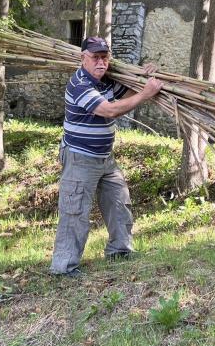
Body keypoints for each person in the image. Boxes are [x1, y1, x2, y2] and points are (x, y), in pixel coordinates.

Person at [50, 36, 163, 277]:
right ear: (83, 58)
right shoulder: (79, 83)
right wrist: (145, 94)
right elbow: (109, 110)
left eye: (105, 57)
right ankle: (64, 267)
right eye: (96, 57)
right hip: (80, 158)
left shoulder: (106, 80)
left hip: (105, 157)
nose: (101, 62)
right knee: (75, 211)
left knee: (118, 201)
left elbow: (127, 94)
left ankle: (120, 250)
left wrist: (145, 76)